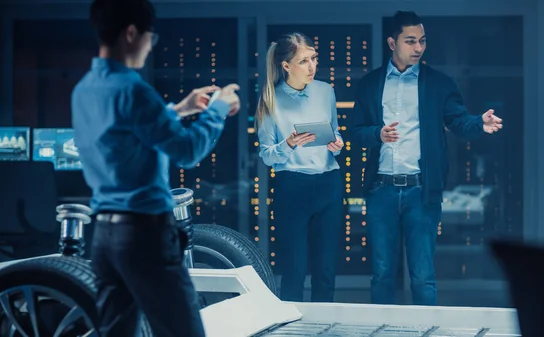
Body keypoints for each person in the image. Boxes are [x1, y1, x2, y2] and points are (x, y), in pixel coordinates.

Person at [71, 0, 240, 336]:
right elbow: (187, 151)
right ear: (132, 33)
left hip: (104, 236)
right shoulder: (133, 89)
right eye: (151, 37)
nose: (150, 46)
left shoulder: (84, 90)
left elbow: (125, 133)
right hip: (144, 235)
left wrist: (179, 109)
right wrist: (217, 111)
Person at [349, 10, 502, 306]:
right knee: (381, 273)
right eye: (411, 41)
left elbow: (458, 121)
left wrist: (479, 123)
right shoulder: (370, 84)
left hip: (421, 192)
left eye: (422, 41)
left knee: (423, 275)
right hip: (381, 190)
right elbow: (356, 131)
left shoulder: (439, 84)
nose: (418, 47)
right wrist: (377, 134)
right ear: (392, 43)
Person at [255, 32, 344, 303]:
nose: (312, 66)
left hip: (328, 184)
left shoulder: (325, 91)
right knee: (294, 270)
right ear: (286, 66)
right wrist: (289, 144)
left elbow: (336, 132)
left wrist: (338, 143)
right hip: (292, 188)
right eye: (304, 61)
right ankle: (293, 329)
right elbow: (267, 156)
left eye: (314, 58)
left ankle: (324, 329)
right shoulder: (271, 100)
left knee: (326, 270)